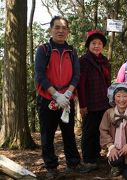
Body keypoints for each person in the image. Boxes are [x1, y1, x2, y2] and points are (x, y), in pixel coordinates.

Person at [35, 16, 86, 178]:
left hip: (67, 100)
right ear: (51, 29)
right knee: (47, 134)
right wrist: (56, 95)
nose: (61, 31)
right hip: (47, 99)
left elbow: (76, 74)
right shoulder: (43, 50)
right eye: (57, 27)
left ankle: (74, 164)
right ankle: (51, 167)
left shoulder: (72, 51)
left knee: (69, 133)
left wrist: (68, 93)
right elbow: (40, 75)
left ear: (68, 31)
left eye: (64, 28)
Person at [77, 29, 111, 171]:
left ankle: (96, 155)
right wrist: (83, 105)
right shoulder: (83, 61)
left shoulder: (104, 61)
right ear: (88, 45)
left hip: (103, 101)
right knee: (89, 131)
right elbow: (81, 84)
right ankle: (88, 159)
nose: (96, 46)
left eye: (99, 43)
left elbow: (108, 82)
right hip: (90, 103)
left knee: (99, 130)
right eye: (93, 43)